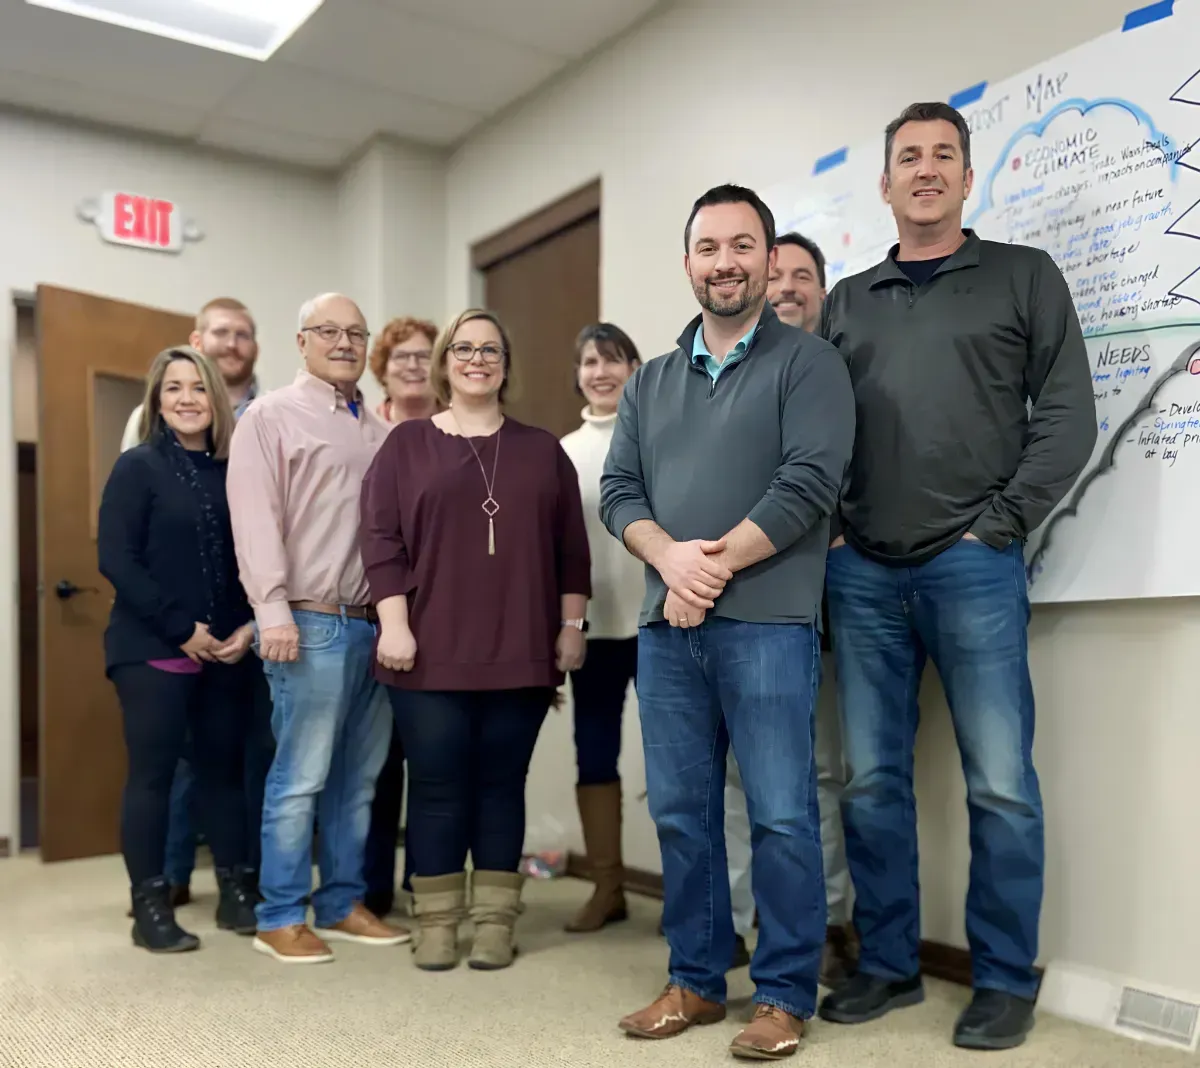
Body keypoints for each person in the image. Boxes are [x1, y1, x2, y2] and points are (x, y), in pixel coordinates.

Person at [818, 102, 1096, 1051]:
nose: (927, 169)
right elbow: (818, 435)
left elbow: (1067, 417)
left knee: (1001, 786)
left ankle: (1006, 980)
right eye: (909, 157)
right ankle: (891, 968)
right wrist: (834, 533)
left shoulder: (1024, 275)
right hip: (862, 580)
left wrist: (999, 528)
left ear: (969, 179)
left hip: (971, 570)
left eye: (945, 155)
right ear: (886, 184)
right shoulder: (847, 300)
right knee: (871, 784)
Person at [600, 184, 855, 1059]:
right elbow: (618, 492)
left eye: (742, 246)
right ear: (688, 264)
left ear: (768, 258)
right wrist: (670, 560)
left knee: (783, 813)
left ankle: (784, 993)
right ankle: (697, 982)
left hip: (770, 623)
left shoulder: (808, 364)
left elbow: (809, 483)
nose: (725, 262)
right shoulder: (653, 382)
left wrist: (705, 568)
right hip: (668, 629)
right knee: (681, 810)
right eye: (709, 247)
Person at [360, 308, 591, 972]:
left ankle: (494, 920)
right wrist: (394, 625)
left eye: (491, 348)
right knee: (434, 787)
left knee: (500, 786)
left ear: (506, 363)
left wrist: (571, 627)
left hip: (521, 650)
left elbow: (571, 552)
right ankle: (436, 920)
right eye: (463, 347)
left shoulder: (542, 450)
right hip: (427, 650)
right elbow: (381, 544)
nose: (477, 358)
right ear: (444, 362)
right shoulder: (405, 446)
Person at [227, 293, 407, 964]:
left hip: (372, 626)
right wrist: (270, 610)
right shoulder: (269, 417)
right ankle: (277, 915)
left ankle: (339, 902)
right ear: (300, 342)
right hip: (306, 622)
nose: (343, 342)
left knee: (357, 781)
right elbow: (254, 518)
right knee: (300, 777)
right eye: (327, 331)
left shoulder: (379, 432)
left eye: (355, 333)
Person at [724, 230, 857, 985]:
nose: (787, 287)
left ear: (821, 291)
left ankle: (831, 921)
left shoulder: (840, 373)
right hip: (742, 601)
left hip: (830, 606)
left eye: (803, 276)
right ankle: (749, 922)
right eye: (775, 275)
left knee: (818, 775)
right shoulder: (727, 379)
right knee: (743, 780)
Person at [98, 346, 261, 953]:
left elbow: (254, 556)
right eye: (173, 389)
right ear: (157, 401)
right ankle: (150, 905)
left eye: (198, 387)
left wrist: (247, 625)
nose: (187, 398)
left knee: (225, 773)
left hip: (228, 648)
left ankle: (234, 892)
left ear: (215, 398)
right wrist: (181, 629)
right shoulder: (138, 467)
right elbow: (116, 559)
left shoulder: (239, 469)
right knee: (155, 777)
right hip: (154, 647)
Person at [558, 323, 645, 934]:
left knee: (677, 761)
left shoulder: (658, 437)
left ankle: (696, 896)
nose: (601, 372)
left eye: (614, 360)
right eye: (590, 362)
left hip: (660, 622)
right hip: (591, 629)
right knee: (594, 757)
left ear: (636, 369)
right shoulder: (560, 452)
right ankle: (608, 886)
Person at [362, 316, 439, 919]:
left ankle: (426, 881)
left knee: (431, 762)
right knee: (377, 760)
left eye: (424, 357)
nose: (413, 366)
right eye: (402, 358)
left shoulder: (456, 430)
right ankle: (369, 886)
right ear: (381, 368)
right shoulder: (364, 431)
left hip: (440, 615)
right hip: (371, 612)